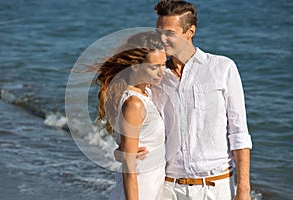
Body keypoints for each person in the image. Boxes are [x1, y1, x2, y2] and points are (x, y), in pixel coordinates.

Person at [137, 0, 252, 199]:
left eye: (169, 33)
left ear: (190, 32)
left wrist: (243, 189)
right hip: (168, 188)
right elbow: (137, 115)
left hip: (216, 188)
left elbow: (239, 133)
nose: (162, 39)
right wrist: (127, 147)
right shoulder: (156, 76)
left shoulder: (223, 68)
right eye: (159, 32)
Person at [93, 31, 167, 200]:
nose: (162, 72)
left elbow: (124, 153)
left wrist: (119, 153)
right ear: (135, 66)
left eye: (164, 64)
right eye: (155, 67)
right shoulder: (134, 103)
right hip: (140, 188)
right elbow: (128, 165)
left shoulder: (146, 92)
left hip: (153, 184)